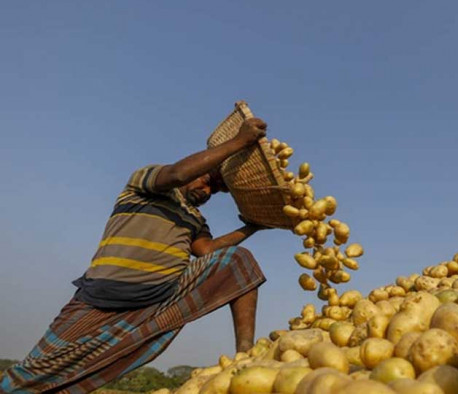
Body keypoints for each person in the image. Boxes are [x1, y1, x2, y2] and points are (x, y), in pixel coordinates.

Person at [0, 118, 271, 393]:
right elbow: (177, 174)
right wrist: (239, 142)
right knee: (36, 372)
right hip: (102, 296)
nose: (207, 191)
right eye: (206, 180)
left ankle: (246, 356)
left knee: (238, 261)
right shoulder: (146, 183)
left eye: (215, 190)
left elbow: (208, 251)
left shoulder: (196, 220)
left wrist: (252, 226)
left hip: (162, 295)